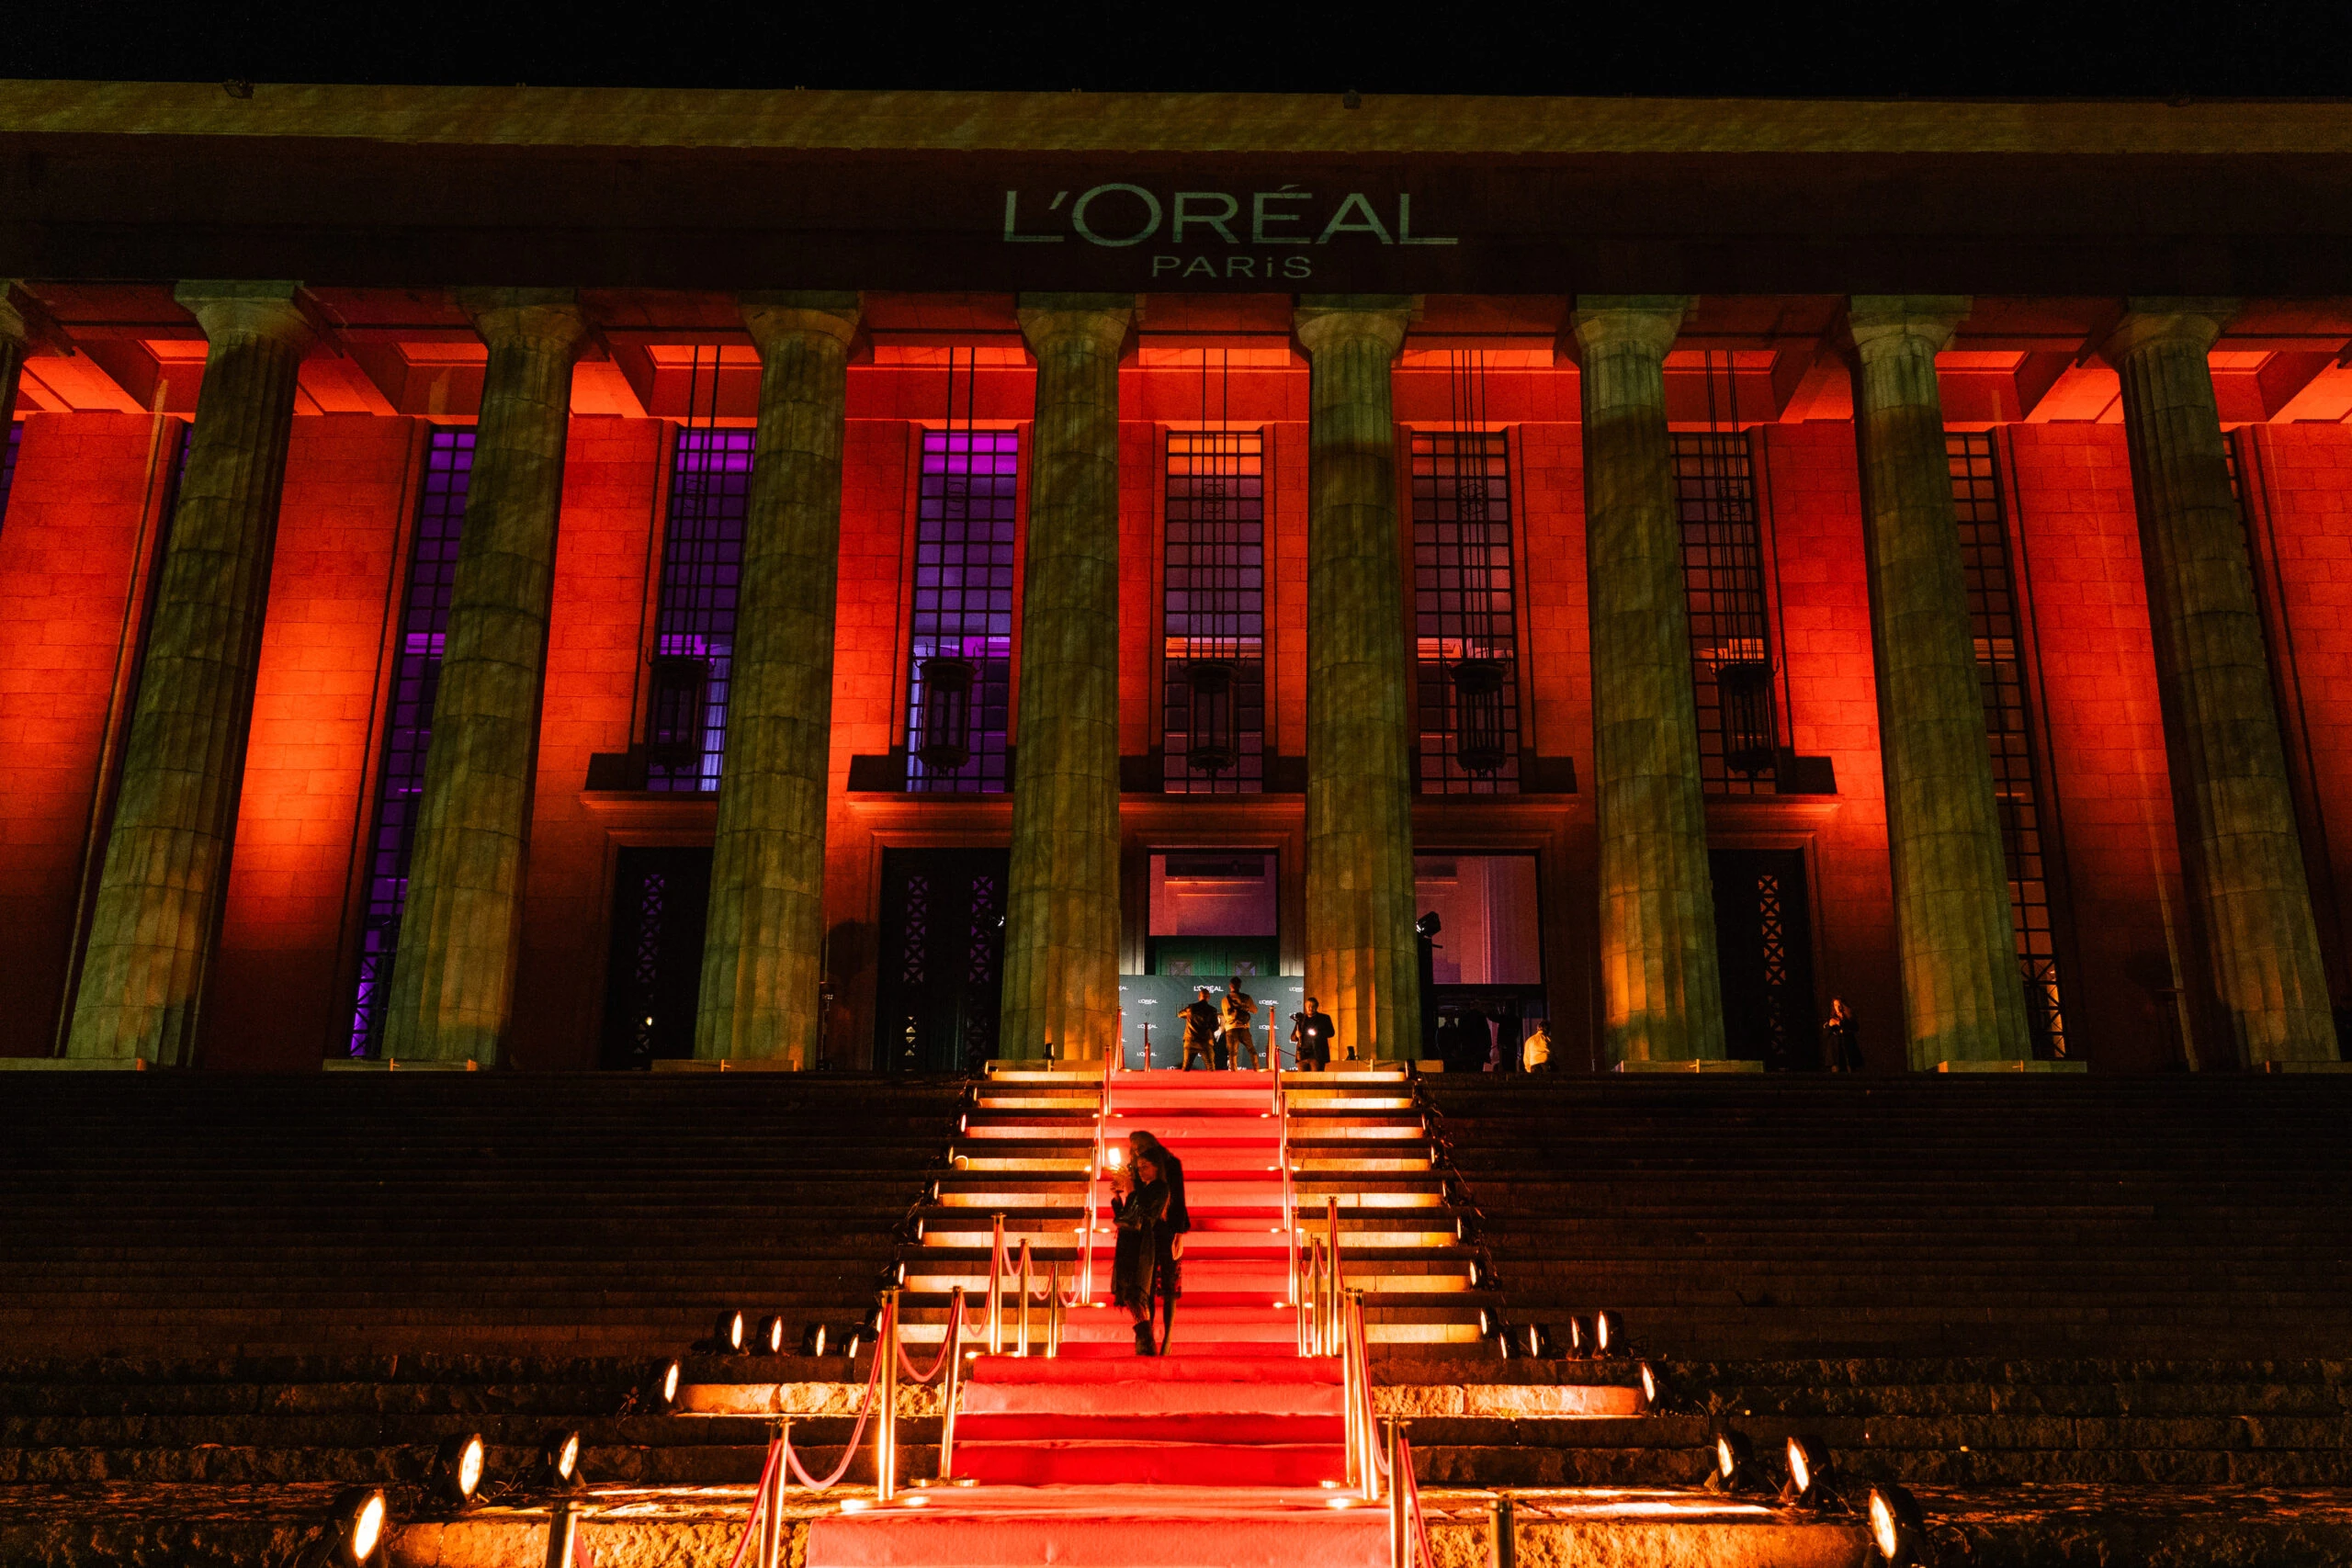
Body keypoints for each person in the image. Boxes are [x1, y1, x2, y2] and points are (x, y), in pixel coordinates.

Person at [1128, 1130, 1187, 1349]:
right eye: (1134, 1148)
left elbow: (1179, 1199)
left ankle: (1168, 1340)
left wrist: (1179, 1234)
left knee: (1169, 1285)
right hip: (1145, 1231)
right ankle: (1149, 1337)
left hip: (1167, 1229)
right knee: (1147, 1285)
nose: (1137, 1152)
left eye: (1140, 1147)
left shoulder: (1170, 1164)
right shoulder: (1136, 1167)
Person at [1110, 1150, 1171, 1355]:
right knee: (1128, 1293)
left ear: (1156, 1167)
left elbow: (1145, 1214)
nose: (1141, 1171)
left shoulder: (1160, 1188)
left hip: (1142, 1244)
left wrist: (1132, 1189)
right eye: (1139, 1168)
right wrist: (1117, 1196)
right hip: (1127, 1243)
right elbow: (1124, 1216)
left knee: (1137, 1293)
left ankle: (1146, 1341)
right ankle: (1145, 1340)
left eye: (1145, 1166)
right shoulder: (1140, 1189)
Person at [1220, 976, 1260, 1071]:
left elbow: (1226, 1016)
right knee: (1251, 1050)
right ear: (1240, 985)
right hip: (1244, 1028)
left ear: (1230, 986)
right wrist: (1245, 1008)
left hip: (1231, 1028)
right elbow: (1255, 1010)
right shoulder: (1247, 998)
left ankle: (1234, 1072)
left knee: (1232, 1054)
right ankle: (1257, 1069)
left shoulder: (1225, 1000)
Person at [1180, 987, 1220, 1072]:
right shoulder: (1212, 1010)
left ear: (1199, 997)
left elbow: (1180, 1014)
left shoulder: (1191, 1008)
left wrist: (1189, 1016)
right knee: (1211, 1069)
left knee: (1186, 1069)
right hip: (1205, 1042)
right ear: (1208, 998)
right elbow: (1216, 1026)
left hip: (1190, 1041)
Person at [1290, 997, 1335, 1071]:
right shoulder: (1301, 1019)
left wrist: (1317, 1033)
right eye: (1308, 1006)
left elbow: (1331, 1033)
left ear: (1317, 1007)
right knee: (1301, 1077)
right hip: (1302, 1056)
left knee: (1316, 1077)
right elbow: (1292, 1037)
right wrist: (1297, 1036)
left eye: (1313, 1006)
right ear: (1305, 1006)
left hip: (1317, 1056)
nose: (1310, 1008)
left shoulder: (1324, 1018)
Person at [1821, 996, 1863, 1072]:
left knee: (1850, 1069)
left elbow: (1855, 1028)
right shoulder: (1831, 1017)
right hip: (1835, 1051)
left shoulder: (1849, 1017)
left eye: (1839, 1005)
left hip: (1848, 1049)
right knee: (1837, 1071)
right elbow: (1825, 1035)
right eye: (1835, 1005)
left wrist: (1840, 1023)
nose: (1837, 1007)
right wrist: (1830, 1026)